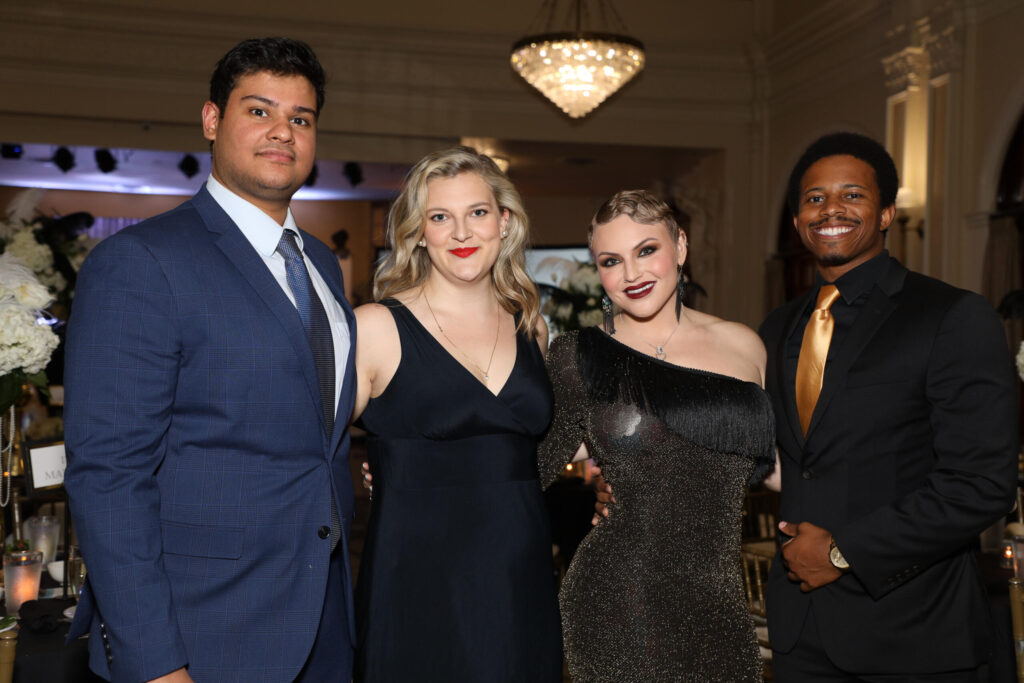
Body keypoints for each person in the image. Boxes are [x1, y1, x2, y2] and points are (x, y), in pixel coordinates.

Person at [64, 38, 357, 683]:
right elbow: (109, 476)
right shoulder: (142, 262)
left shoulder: (321, 263)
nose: (282, 131)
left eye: (301, 118)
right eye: (259, 110)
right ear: (211, 120)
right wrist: (155, 662)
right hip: (204, 630)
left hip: (325, 615)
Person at [761, 132, 1018, 680]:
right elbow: (764, 451)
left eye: (852, 195)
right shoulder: (777, 328)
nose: (830, 209)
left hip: (913, 632)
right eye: (814, 198)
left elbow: (981, 484)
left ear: (885, 214)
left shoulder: (951, 316)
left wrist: (842, 552)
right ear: (797, 221)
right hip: (799, 634)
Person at [538, 190, 776, 681]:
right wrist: (404, 462)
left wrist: (862, 516)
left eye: (646, 250)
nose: (632, 274)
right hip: (620, 597)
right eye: (611, 260)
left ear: (681, 246)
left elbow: (772, 465)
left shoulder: (744, 345)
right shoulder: (579, 355)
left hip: (719, 601)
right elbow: (524, 467)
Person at [350, 146, 562, 682]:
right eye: (441, 217)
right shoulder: (375, 327)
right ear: (419, 232)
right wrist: (387, 469)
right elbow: (309, 448)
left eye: (478, 212)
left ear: (504, 221)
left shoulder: (530, 326)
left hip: (521, 578)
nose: (462, 232)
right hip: (417, 580)